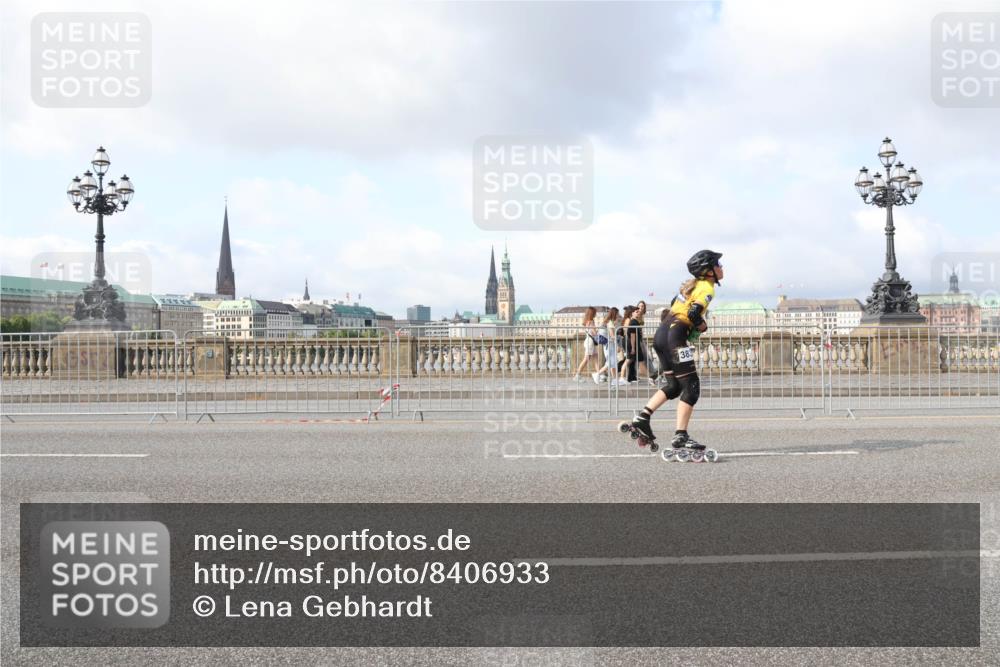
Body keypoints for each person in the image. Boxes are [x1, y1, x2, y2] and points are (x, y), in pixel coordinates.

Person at [629, 250, 724, 450]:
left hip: (662, 333)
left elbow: (675, 304)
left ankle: (643, 418)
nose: (721, 268)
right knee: (691, 386)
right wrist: (702, 327)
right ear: (708, 271)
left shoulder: (691, 286)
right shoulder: (707, 287)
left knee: (673, 386)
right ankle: (681, 435)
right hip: (676, 336)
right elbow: (693, 312)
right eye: (718, 265)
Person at [593, 307, 620, 384]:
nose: (618, 315)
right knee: (611, 362)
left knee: (612, 362)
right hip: (610, 345)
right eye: (617, 314)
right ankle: (597, 374)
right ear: (614, 314)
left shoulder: (607, 322)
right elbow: (612, 335)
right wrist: (617, 345)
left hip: (608, 345)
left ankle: (615, 380)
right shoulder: (610, 322)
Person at [573, 306, 600, 381]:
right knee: (587, 359)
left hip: (589, 340)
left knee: (595, 358)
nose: (596, 314)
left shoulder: (587, 321)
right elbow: (594, 333)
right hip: (590, 341)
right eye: (595, 313)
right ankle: (577, 375)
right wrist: (598, 330)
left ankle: (599, 374)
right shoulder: (591, 321)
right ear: (592, 313)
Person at [618, 305, 638, 384]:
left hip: (625, 340)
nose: (635, 313)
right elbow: (632, 335)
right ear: (631, 312)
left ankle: (622, 377)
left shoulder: (625, 320)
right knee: (629, 359)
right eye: (634, 311)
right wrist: (633, 347)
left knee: (630, 359)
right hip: (628, 341)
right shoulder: (630, 321)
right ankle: (622, 378)